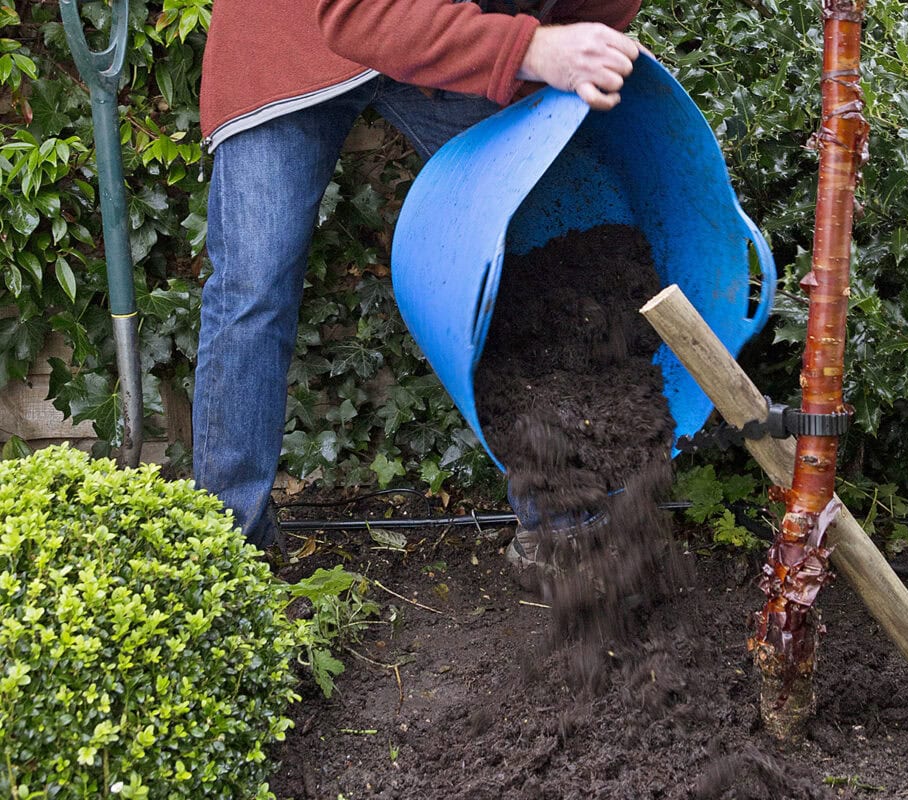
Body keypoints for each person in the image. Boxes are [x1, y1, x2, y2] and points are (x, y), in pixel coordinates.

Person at [193, 0, 642, 551]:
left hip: (445, 19)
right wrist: (529, 49)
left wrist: (569, 47)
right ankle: (227, 549)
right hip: (290, 28)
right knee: (253, 288)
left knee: (532, 251)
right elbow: (355, 14)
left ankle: (565, 516)